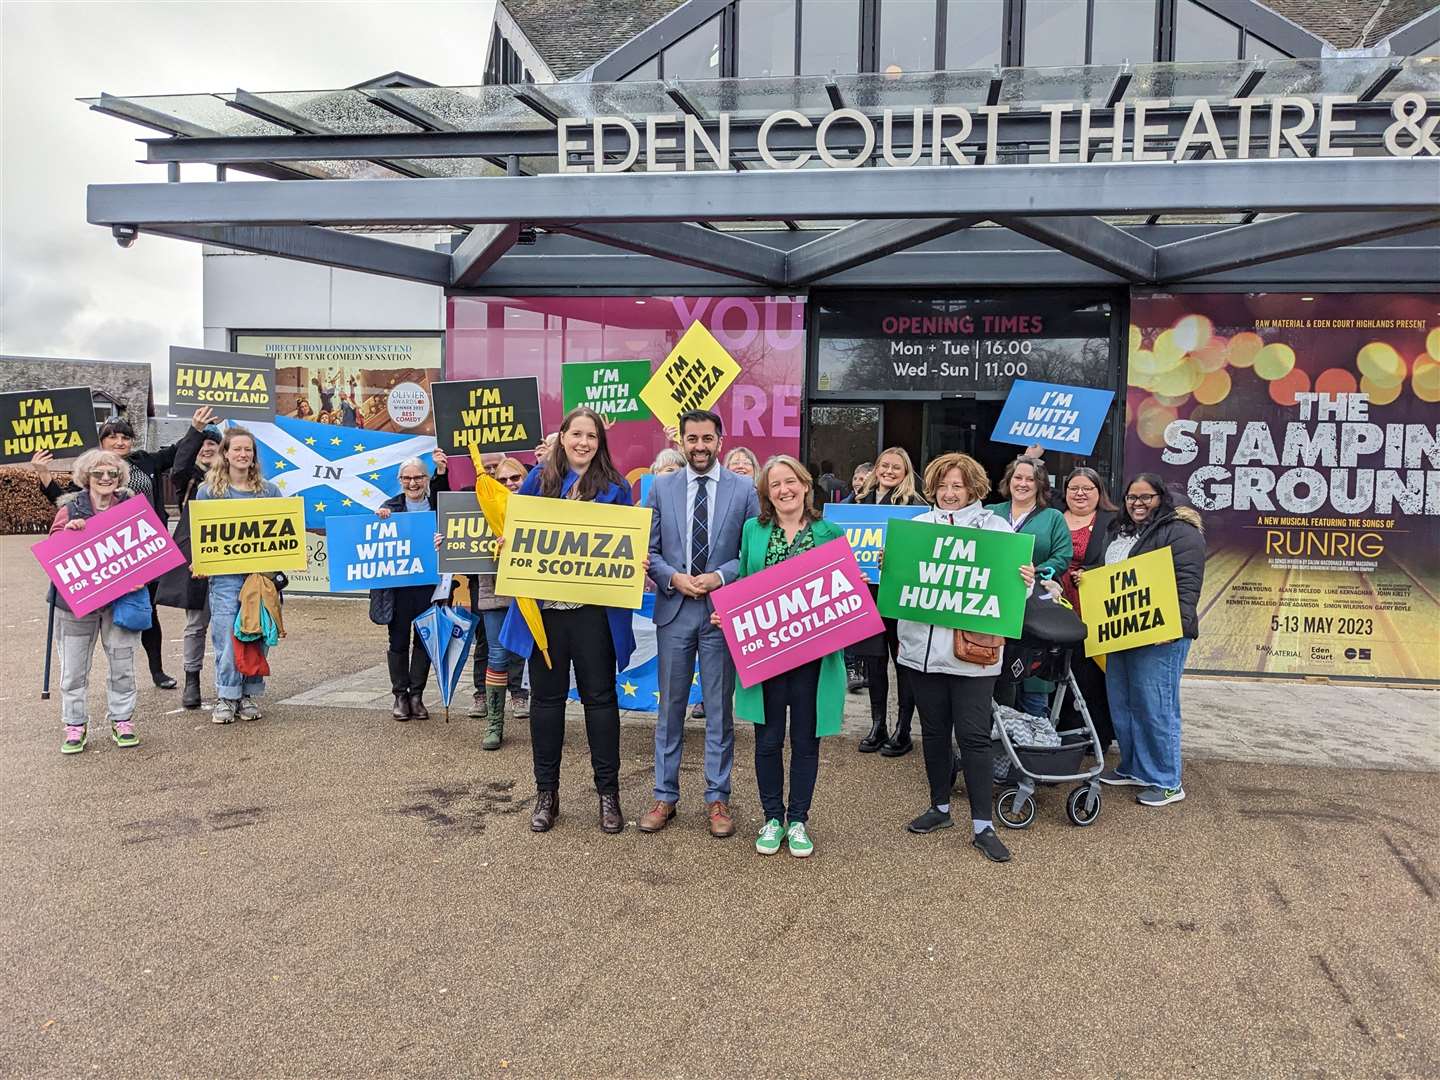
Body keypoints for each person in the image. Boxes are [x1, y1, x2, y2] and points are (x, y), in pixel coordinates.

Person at [501, 406, 637, 835]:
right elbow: (512, 536)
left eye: (592, 437)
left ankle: (608, 794)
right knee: (546, 704)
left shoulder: (615, 487)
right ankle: (546, 794)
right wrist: (505, 542)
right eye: (576, 434)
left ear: (601, 443)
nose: (583, 443)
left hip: (593, 616)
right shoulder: (537, 483)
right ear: (561, 437)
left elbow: (624, 547)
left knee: (601, 702)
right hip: (546, 618)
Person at [896, 452, 1035, 864]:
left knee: (974, 737)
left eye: (957, 485)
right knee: (934, 733)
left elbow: (1012, 596)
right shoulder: (916, 529)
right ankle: (939, 808)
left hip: (974, 657)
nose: (950, 492)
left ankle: (982, 825)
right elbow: (901, 587)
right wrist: (893, 567)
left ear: (974, 488)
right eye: (943, 485)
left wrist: (1025, 581)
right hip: (921, 653)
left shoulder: (997, 529)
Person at [720, 455, 846, 858]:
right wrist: (730, 614)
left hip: (813, 657)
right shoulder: (753, 531)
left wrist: (854, 584)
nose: (784, 490)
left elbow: (842, 585)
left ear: (805, 485)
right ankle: (772, 817)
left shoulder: (830, 531)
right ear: (766, 493)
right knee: (768, 739)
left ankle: (799, 820)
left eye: (790, 481)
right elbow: (742, 578)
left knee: (806, 740)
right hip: (768, 655)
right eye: (774, 484)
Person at [642, 409, 759, 839]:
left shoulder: (745, 488)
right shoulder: (661, 487)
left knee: (717, 710)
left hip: (721, 611)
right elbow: (648, 550)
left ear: (720, 440)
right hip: (674, 609)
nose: (699, 446)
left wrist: (720, 577)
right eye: (691, 439)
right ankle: (664, 795)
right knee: (670, 708)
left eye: (707, 438)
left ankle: (717, 797)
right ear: (681, 441)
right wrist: (672, 577)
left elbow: (750, 551)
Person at [1095, 474, 1206, 807]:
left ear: (1162, 497)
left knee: (1157, 705)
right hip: (1121, 631)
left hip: (1160, 634)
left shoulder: (1180, 531)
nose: (1138, 504)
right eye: (1132, 497)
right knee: (1123, 702)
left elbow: (1188, 584)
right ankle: (1133, 767)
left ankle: (1167, 780)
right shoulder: (1119, 531)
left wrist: (1177, 625)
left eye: (1146, 497)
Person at [97, 407, 218, 691]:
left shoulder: (146, 462)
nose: (119, 442)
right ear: (101, 441)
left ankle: (157, 671)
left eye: (124, 437)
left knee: (148, 611)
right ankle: (118, 676)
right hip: (110, 549)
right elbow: (70, 501)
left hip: (146, 547)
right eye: (112, 437)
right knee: (108, 615)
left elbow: (179, 451)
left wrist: (197, 427)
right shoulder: (91, 467)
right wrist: (44, 477)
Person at [49, 449, 146, 755]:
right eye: (98, 473)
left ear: (120, 477)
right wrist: (69, 533)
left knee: (122, 663)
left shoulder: (132, 507)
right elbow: (54, 550)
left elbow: (149, 547)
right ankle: (75, 724)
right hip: (76, 604)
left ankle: (122, 719)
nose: (105, 479)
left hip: (122, 601)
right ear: (85, 477)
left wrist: (142, 575)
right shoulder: (70, 507)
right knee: (74, 669)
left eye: (112, 474)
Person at [193, 427, 282, 725]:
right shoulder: (208, 492)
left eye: (248, 450)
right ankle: (227, 696)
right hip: (225, 578)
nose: (243, 454)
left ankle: (248, 694)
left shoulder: (269, 491)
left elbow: (282, 532)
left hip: (261, 577)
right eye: (237, 449)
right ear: (226, 453)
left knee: (257, 634)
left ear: (254, 455)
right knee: (228, 639)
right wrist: (200, 561)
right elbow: (201, 535)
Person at [848, 446, 928, 756]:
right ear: (874, 469)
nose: (889, 471)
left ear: (906, 473)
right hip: (867, 595)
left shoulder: (917, 507)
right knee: (874, 662)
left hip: (900, 597)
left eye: (897, 467)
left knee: (903, 664)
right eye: (884, 465)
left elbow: (923, 553)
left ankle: (903, 729)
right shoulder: (855, 504)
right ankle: (877, 724)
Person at [988, 456, 1073, 718]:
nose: (1022, 483)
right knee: (998, 674)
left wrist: (1036, 571)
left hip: (1035, 604)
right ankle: (999, 745)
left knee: (1033, 677)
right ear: (1008, 481)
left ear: (1040, 485)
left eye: (1030, 479)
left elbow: (1062, 556)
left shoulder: (1052, 517)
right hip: (997, 604)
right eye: (1018, 477)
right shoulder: (991, 513)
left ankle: (1036, 743)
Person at [374, 451, 449, 721]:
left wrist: (444, 542)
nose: (413, 483)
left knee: (424, 640)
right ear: (399, 480)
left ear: (427, 478)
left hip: (429, 586)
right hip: (399, 588)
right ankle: (400, 695)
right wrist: (378, 521)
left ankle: (416, 695)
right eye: (407, 478)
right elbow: (376, 541)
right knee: (398, 640)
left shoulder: (437, 507)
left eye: (418, 477)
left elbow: (452, 539)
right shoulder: (389, 507)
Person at [154, 425, 223, 709]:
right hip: (198, 557)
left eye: (212, 444)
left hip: (230, 557)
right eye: (202, 444)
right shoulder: (189, 478)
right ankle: (191, 679)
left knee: (227, 623)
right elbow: (179, 465)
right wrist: (194, 433)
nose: (206, 448)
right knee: (195, 623)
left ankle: (227, 682)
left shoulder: (234, 479)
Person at [1057, 467, 1118, 749]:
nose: (1080, 494)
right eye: (1074, 488)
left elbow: (1121, 560)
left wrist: (1092, 572)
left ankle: (1096, 737)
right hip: (1054, 608)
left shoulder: (1113, 522)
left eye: (1087, 488)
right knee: (1056, 674)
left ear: (1099, 492)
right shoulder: (1052, 517)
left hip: (1091, 610)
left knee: (1090, 677)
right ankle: (1059, 732)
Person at [468, 455, 527, 740]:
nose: (508, 484)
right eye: (502, 480)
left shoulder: (540, 505)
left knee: (538, 655)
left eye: (514, 478)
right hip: (495, 593)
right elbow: (461, 543)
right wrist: (444, 545)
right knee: (497, 654)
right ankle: (494, 724)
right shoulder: (481, 508)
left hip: (532, 593)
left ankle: (542, 717)